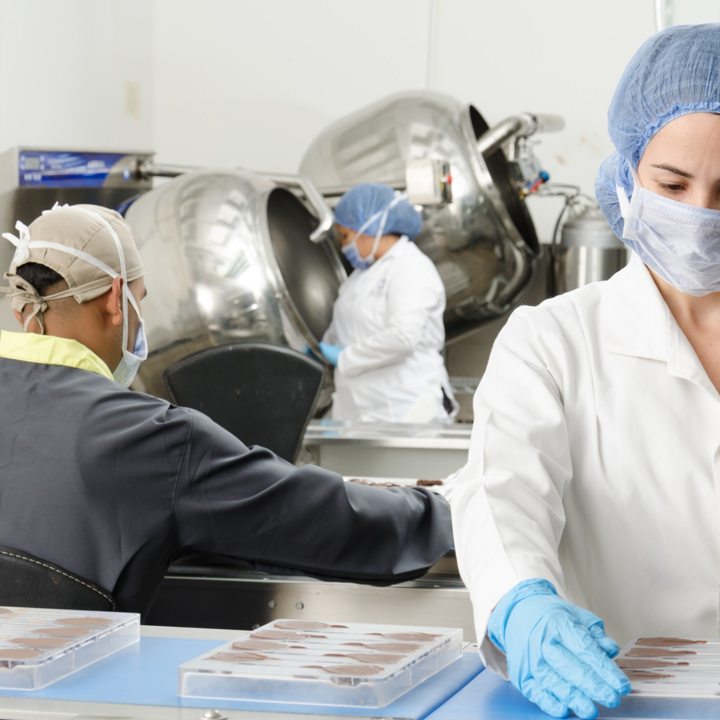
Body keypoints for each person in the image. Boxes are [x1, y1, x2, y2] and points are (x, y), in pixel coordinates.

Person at [0, 203, 453, 616]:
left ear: (23, 308)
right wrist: (448, 509)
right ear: (117, 300)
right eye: (141, 298)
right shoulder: (146, 437)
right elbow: (321, 520)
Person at [452, 23, 720, 720]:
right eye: (672, 182)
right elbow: (499, 494)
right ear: (629, 172)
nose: (700, 214)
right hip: (615, 703)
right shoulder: (553, 342)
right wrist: (522, 603)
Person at [319, 183, 458, 423]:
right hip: (358, 414)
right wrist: (320, 348)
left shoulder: (411, 267)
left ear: (370, 225)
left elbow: (403, 337)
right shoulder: (359, 276)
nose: (344, 246)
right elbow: (345, 329)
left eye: (345, 236)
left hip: (407, 410)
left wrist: (344, 358)